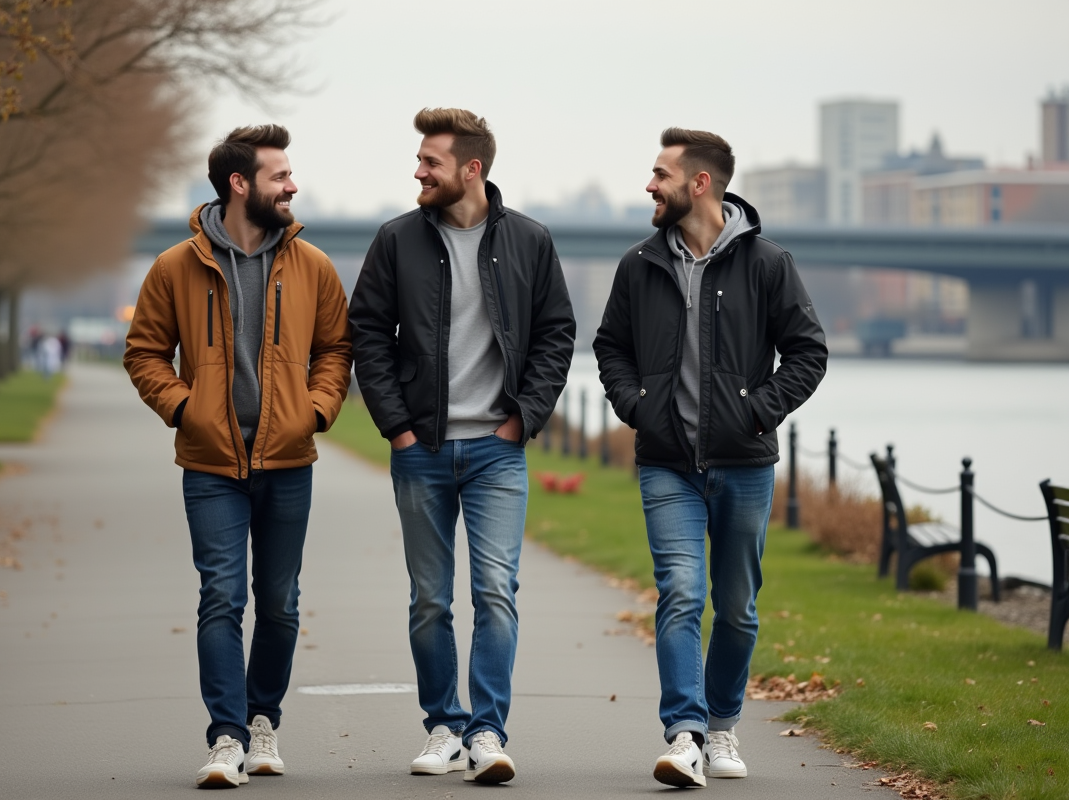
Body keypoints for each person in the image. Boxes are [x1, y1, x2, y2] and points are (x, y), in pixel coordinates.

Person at [593, 128, 827, 788]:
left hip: (744, 463)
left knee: (737, 607)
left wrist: (756, 410)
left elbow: (808, 353)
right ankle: (686, 735)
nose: (649, 184)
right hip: (666, 462)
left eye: (660, 173)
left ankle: (722, 725)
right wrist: (637, 405)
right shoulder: (640, 264)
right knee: (679, 595)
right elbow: (611, 346)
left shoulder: (767, 265)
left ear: (699, 183)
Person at [348, 108, 575, 784]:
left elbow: (556, 335)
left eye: (431, 162)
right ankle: (443, 726)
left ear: (471, 169)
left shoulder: (531, 241)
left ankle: (489, 733)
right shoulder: (396, 240)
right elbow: (367, 334)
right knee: (429, 598)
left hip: (498, 452)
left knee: (496, 594)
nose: (418, 172)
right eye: (419, 161)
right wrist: (397, 426)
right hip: (421, 448)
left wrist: (523, 419)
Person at [124, 124, 352, 788]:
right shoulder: (175, 267)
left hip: (288, 460)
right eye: (281, 175)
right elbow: (143, 353)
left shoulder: (313, 265)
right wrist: (183, 407)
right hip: (210, 465)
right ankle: (225, 736)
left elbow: (338, 348)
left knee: (279, 602)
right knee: (220, 596)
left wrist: (315, 408)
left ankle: (263, 723)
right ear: (240, 184)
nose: (293, 185)